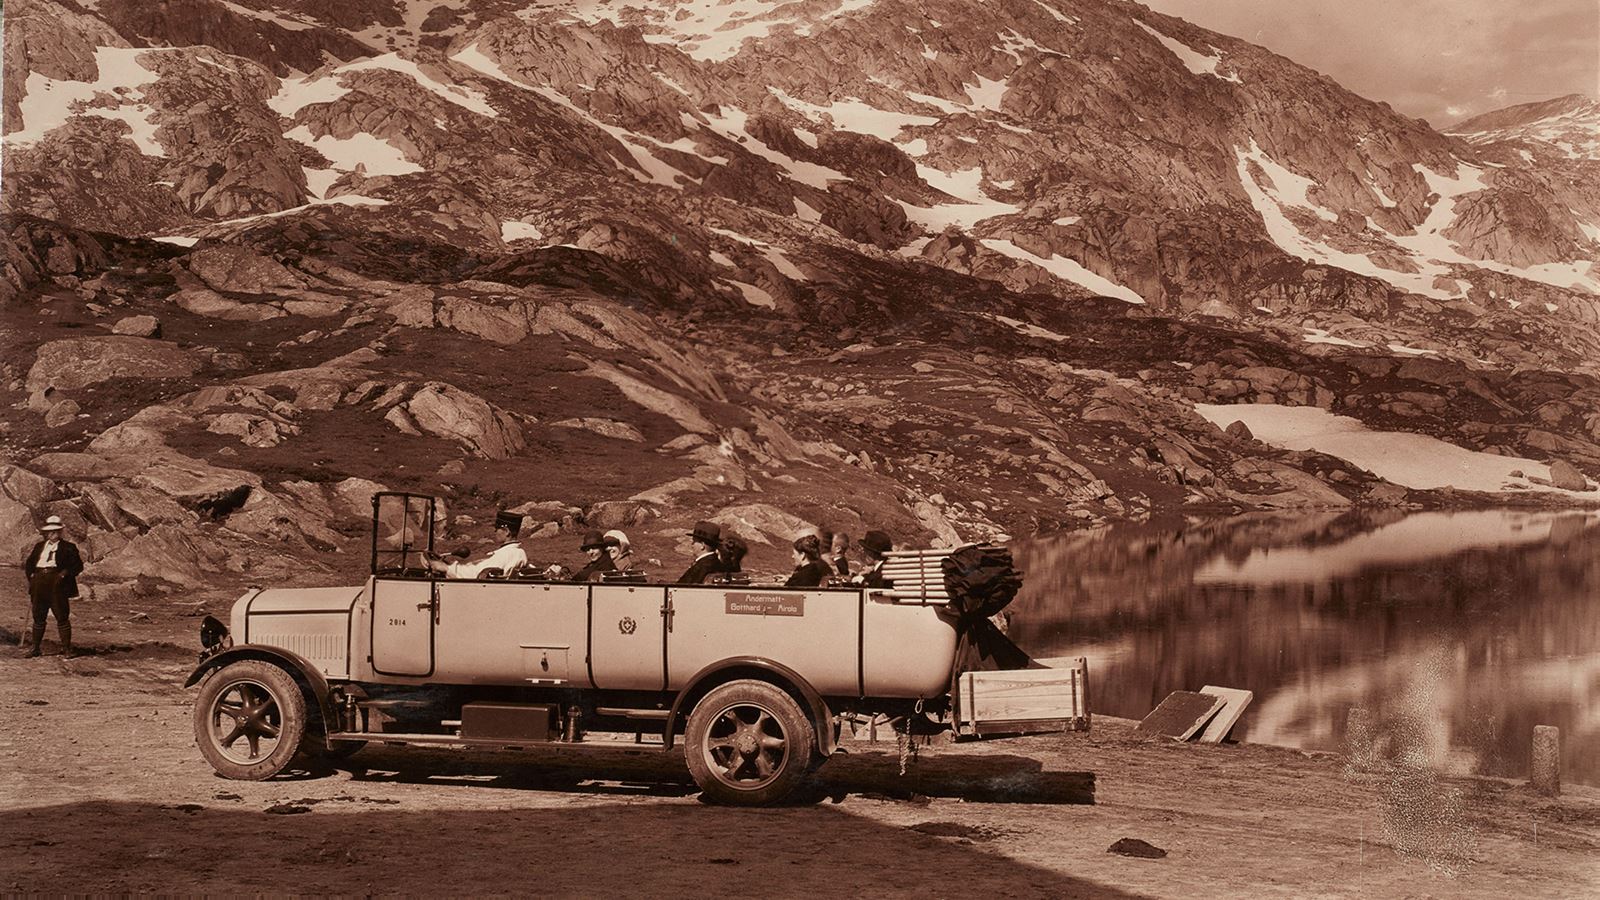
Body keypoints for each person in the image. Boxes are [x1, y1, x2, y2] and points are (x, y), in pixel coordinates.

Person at [22, 515, 83, 658]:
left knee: (61, 615)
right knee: (38, 615)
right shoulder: (39, 547)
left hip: (57, 583)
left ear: (60, 532)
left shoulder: (68, 547)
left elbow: (77, 566)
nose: (52, 534)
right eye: (49, 532)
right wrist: (31, 577)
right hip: (39, 582)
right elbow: (30, 564)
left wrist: (64, 574)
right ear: (46, 533)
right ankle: (35, 648)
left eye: (55, 531)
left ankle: (67, 649)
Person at [427, 512, 527, 579]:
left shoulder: (507, 554)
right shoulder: (516, 553)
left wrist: (447, 568)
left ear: (506, 531)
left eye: (497, 528)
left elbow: (475, 573)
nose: (495, 531)